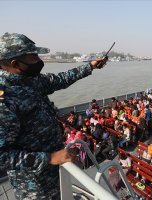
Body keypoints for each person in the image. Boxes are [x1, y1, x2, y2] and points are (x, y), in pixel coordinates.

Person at [0, 32, 108, 199]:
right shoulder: (5, 99)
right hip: (34, 185)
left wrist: (90, 66)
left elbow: (59, 79)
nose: (39, 59)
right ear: (16, 63)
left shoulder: (29, 79)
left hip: (54, 173)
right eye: (33, 56)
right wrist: (49, 158)